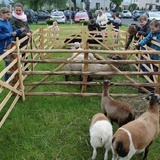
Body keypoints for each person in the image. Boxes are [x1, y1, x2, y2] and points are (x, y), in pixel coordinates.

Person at [134, 20, 160, 88]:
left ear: (158, 27)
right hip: (153, 54)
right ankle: (151, 84)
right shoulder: (152, 32)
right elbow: (147, 38)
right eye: (151, 28)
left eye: (153, 28)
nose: (151, 30)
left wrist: (156, 41)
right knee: (153, 70)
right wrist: (139, 44)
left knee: (157, 71)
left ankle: (153, 85)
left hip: (158, 56)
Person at [0, 7, 24, 81]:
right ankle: (6, 80)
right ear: (1, 14)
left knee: (10, 63)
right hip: (2, 46)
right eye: (7, 14)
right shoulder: (0, 24)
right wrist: (11, 34)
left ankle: (8, 79)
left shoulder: (8, 22)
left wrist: (19, 31)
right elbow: (1, 36)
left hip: (9, 46)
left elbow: (12, 32)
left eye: (9, 14)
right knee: (8, 63)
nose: (9, 16)